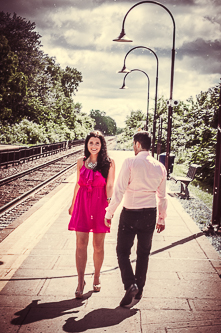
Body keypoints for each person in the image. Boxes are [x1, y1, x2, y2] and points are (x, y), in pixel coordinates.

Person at [104, 131, 167, 307]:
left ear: (138, 144)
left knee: (122, 252)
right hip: (150, 213)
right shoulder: (159, 166)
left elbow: (119, 191)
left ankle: (130, 284)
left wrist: (109, 213)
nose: (133, 147)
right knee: (144, 253)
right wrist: (161, 219)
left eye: (133, 144)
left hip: (130, 212)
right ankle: (139, 291)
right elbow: (162, 197)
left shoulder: (130, 162)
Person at [68, 130, 115, 299]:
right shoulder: (81, 162)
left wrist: (110, 209)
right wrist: (72, 204)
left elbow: (110, 186)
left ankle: (96, 276)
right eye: (91, 143)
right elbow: (77, 184)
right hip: (82, 205)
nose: (94, 146)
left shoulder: (109, 163)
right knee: (81, 243)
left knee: (98, 245)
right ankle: (81, 281)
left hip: (100, 204)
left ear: (102, 145)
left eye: (97, 143)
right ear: (86, 145)